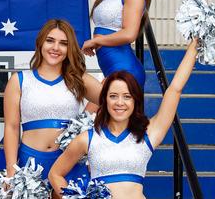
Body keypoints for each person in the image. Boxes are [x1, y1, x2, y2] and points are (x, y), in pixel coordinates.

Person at [49, 40, 198, 198]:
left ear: (135, 101)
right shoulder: (87, 138)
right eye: (113, 96)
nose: (120, 103)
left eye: (127, 96)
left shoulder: (148, 133)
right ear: (104, 99)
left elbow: (174, 89)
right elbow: (55, 174)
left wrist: (195, 45)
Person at [3, 19, 102, 194]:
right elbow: (11, 127)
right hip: (31, 163)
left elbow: (111, 98)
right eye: (50, 40)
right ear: (40, 42)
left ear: (69, 49)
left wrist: (84, 121)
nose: (56, 48)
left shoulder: (77, 78)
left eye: (63, 43)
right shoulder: (19, 80)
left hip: (68, 161)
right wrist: (11, 169)